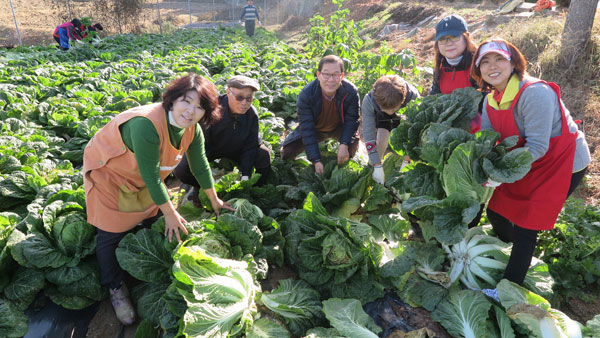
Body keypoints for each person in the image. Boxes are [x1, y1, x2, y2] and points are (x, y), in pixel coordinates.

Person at [82, 74, 234, 325]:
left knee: (148, 218)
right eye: (186, 101)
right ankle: (115, 287)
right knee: (110, 233)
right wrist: (171, 213)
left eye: (200, 107)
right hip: (110, 174)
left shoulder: (192, 130)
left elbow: (200, 165)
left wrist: (214, 199)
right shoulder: (146, 125)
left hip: (141, 180)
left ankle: (135, 257)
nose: (191, 111)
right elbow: (152, 177)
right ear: (173, 99)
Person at [470, 39, 590, 298]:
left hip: (563, 162)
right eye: (485, 62)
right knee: (496, 209)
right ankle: (514, 252)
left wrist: (500, 173)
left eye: (499, 59)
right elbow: (489, 141)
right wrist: (486, 168)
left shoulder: (535, 92)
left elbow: (538, 146)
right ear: (478, 70)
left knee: (527, 224)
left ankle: (506, 290)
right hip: (527, 161)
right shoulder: (490, 100)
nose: (493, 66)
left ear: (513, 62)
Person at [174, 75, 272, 196]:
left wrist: (246, 176)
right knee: (181, 169)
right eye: (239, 97)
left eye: (249, 98)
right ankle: (199, 187)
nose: (244, 103)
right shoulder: (211, 108)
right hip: (210, 150)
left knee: (263, 154)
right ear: (228, 92)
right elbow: (200, 145)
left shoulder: (252, 114)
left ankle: (255, 190)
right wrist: (205, 178)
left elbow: (251, 147)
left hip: (237, 150)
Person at [280, 55, 360, 175]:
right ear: (318, 75)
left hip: (338, 128)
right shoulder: (306, 94)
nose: (331, 79)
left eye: (335, 74)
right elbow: (307, 130)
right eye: (326, 74)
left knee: (351, 144)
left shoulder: (350, 92)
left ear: (342, 76)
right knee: (286, 153)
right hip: (316, 129)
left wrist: (344, 144)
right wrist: (316, 160)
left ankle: (346, 169)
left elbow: (351, 121)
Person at [362, 75, 420, 184]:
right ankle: (372, 170)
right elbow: (368, 135)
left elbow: (416, 133)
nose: (390, 113)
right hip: (381, 118)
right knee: (380, 142)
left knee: (406, 143)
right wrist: (376, 165)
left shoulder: (414, 99)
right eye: (386, 110)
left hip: (404, 118)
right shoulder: (369, 101)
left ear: (403, 100)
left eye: (392, 109)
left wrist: (407, 161)